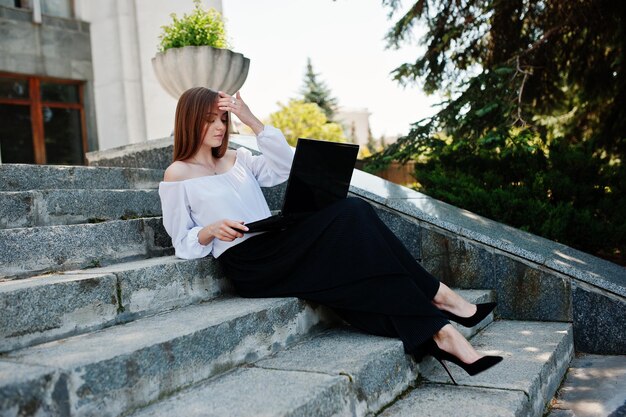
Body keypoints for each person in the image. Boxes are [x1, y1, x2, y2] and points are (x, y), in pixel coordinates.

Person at [158, 87, 502, 385]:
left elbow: (283, 167)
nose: (219, 127)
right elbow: (182, 242)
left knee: (358, 244)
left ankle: (440, 333)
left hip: (275, 239)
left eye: (222, 119)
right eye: (209, 119)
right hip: (250, 263)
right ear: (190, 120)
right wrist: (208, 231)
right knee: (352, 214)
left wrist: (253, 121)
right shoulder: (178, 175)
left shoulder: (239, 158)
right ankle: (441, 300)